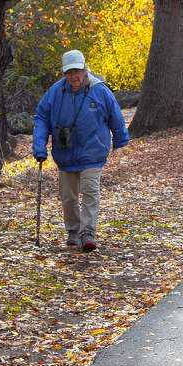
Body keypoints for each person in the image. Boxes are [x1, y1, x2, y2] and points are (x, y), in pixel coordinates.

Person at [33, 50, 129, 252]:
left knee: (90, 193)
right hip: (65, 155)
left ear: (84, 69)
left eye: (76, 71)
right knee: (68, 197)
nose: (73, 77)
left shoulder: (99, 90)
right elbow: (41, 117)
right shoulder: (55, 92)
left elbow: (115, 115)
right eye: (69, 73)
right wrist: (39, 146)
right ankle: (73, 232)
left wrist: (120, 139)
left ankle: (88, 234)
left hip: (93, 153)